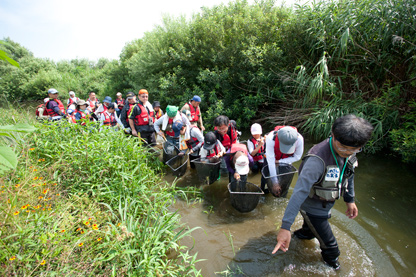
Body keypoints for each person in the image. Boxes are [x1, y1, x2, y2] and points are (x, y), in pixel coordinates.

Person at [272, 114, 374, 270]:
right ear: (333, 135)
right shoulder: (317, 160)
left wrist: (350, 199)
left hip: (325, 202)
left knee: (308, 233)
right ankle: (333, 268)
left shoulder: (349, 153)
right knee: (332, 248)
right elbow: (299, 192)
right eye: (342, 147)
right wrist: (285, 227)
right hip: (312, 208)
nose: (346, 152)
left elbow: (349, 174)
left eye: (353, 150)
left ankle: (301, 235)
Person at [262, 126, 304, 196]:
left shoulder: (299, 139)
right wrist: (275, 183)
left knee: (284, 181)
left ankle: (283, 194)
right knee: (266, 176)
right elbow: (271, 162)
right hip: (271, 158)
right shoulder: (271, 138)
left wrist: (279, 162)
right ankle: (263, 191)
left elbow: (297, 156)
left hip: (286, 160)